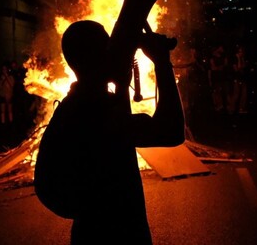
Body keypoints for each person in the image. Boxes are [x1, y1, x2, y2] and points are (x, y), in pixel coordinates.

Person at [34, 20, 185, 245]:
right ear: (96, 57)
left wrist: (122, 85)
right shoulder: (95, 110)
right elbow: (171, 131)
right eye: (108, 46)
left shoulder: (76, 104)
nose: (115, 50)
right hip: (115, 233)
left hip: (90, 231)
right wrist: (162, 61)